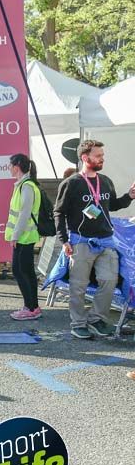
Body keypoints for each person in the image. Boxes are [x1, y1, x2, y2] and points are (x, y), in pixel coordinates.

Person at [53, 139, 135, 339]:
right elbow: (59, 212)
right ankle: (78, 324)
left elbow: (111, 205)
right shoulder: (71, 183)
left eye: (102, 155)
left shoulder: (105, 181)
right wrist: (64, 240)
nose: (102, 159)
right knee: (78, 286)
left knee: (109, 281)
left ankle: (97, 319)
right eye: (98, 156)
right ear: (85, 157)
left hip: (106, 240)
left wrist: (130, 196)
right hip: (81, 241)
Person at [6, 154, 42, 320]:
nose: (9, 168)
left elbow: (24, 214)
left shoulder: (26, 186)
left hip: (24, 237)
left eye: (10, 165)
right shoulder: (24, 185)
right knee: (25, 271)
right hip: (25, 236)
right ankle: (32, 306)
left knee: (21, 271)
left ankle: (30, 307)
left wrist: (15, 235)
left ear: (17, 167)